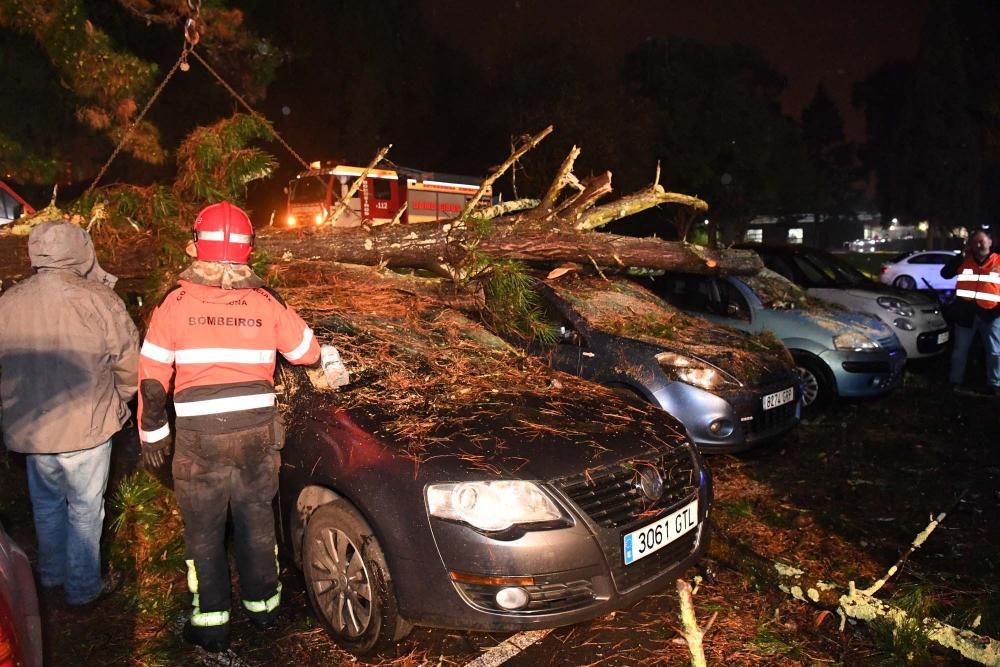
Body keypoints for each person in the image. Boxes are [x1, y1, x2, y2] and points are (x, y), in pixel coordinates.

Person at [138, 201, 320, 653]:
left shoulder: (173, 302)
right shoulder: (265, 301)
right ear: (248, 248)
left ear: (196, 245)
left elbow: (151, 377)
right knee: (256, 519)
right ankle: (265, 609)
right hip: (256, 433)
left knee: (203, 529)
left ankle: (212, 621)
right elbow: (309, 352)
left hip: (200, 438)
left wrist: (153, 434)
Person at [0, 220, 139, 607]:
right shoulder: (99, 299)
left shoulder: (9, 301)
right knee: (85, 508)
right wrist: (121, 399)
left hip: (33, 428)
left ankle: (51, 574)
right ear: (81, 249)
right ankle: (82, 588)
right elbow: (128, 361)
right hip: (87, 426)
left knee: (45, 504)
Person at [941, 229, 1000, 395]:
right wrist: (959, 256)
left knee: (995, 352)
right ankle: (955, 381)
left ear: (990, 242)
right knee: (960, 350)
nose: (978, 244)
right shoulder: (964, 260)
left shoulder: (998, 261)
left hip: (992, 314)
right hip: (966, 314)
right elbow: (945, 274)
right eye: (975, 242)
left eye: (982, 241)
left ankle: (995, 384)